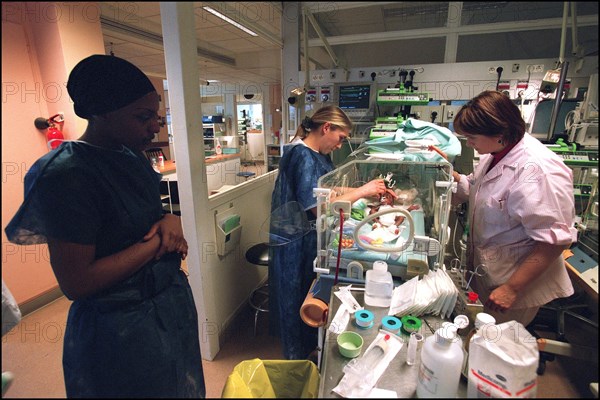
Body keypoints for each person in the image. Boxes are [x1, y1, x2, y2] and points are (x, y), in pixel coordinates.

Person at [5, 55, 206, 398]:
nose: (154, 126)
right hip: (120, 332)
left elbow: (144, 218)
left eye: (155, 116)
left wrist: (169, 218)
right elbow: (78, 281)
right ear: (99, 113)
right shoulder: (65, 174)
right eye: (142, 117)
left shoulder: (130, 154)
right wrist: (158, 242)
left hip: (168, 309)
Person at [269, 105, 395, 360]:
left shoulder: (319, 154)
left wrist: (363, 188)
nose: (340, 146)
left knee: (308, 293)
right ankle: (296, 361)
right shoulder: (301, 155)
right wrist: (362, 192)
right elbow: (318, 206)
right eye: (341, 138)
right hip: (294, 241)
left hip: (308, 237)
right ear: (327, 128)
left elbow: (327, 189)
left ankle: (310, 347)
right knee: (296, 301)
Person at [450, 90, 577, 327]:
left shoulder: (538, 169)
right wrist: (451, 176)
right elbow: (476, 188)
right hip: (489, 271)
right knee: (480, 334)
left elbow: (555, 241)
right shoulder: (497, 153)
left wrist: (511, 288)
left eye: (471, 137)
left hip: (514, 284)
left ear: (499, 133)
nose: (468, 143)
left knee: (497, 343)